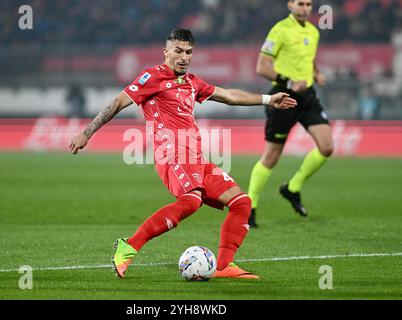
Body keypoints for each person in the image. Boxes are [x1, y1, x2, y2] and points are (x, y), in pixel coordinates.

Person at [69, 28, 296, 279]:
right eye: (178, 51)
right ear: (166, 52)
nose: (184, 57)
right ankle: (129, 246)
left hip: (196, 156)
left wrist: (268, 99)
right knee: (190, 201)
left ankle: (223, 266)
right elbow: (117, 103)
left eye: (189, 52)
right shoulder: (151, 77)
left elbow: (230, 96)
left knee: (241, 202)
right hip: (171, 153)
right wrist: (87, 133)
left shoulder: (192, 82)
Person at [247, 0, 334, 228]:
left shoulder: (314, 32)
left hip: (308, 97)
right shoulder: (280, 30)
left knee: (326, 147)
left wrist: (316, 73)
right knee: (271, 157)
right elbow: (262, 66)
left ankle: (292, 188)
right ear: (290, 5)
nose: (305, 8)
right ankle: (250, 206)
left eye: (308, 4)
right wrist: (288, 81)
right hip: (283, 96)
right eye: (300, 4)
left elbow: (310, 60)